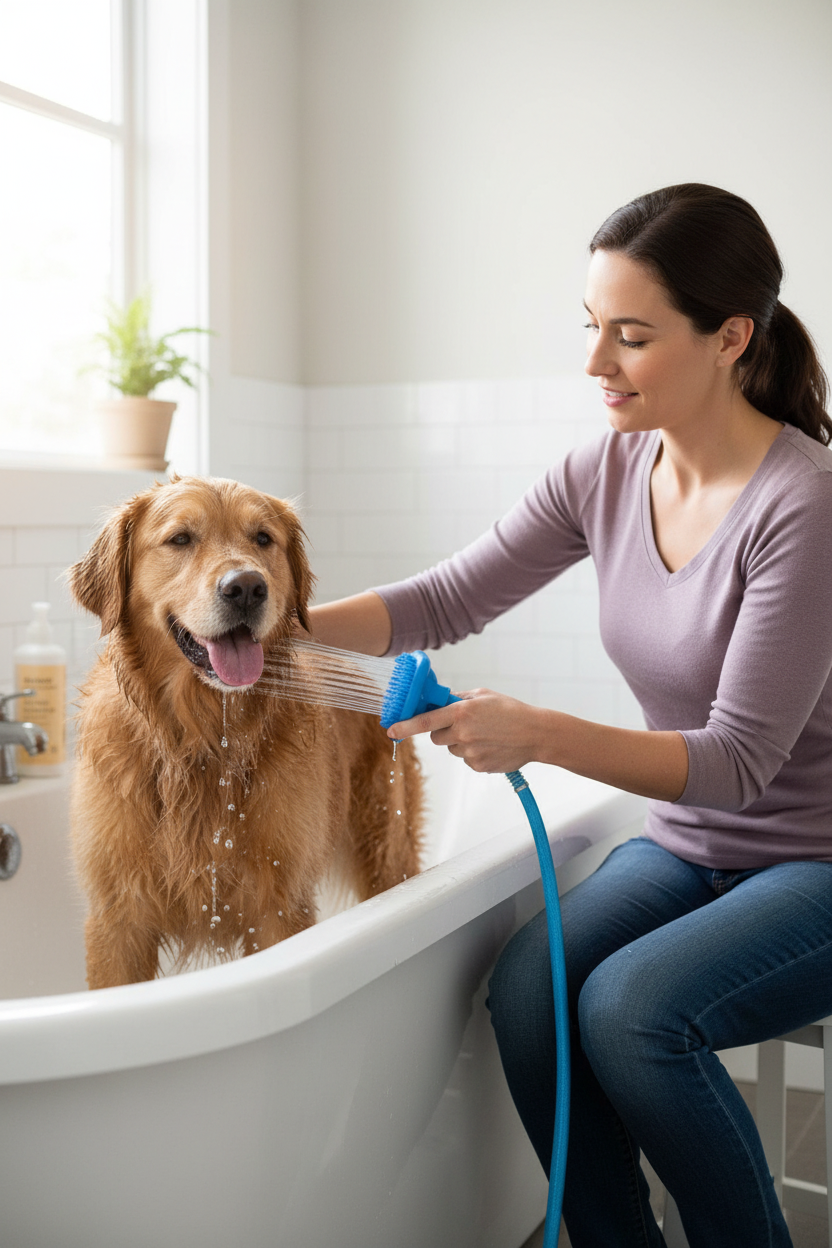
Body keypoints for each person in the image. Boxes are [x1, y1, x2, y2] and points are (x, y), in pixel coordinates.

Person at [305, 183, 832, 1247]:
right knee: (528, 991)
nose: (595, 363)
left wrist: (538, 731)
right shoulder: (603, 470)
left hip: (812, 862)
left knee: (633, 1011)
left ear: (730, 338)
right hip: (691, 850)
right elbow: (443, 601)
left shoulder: (805, 506)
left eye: (630, 337)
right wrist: (272, 632)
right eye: (591, 327)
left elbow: (734, 762)